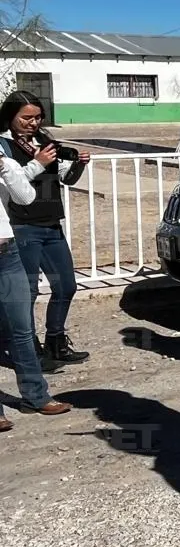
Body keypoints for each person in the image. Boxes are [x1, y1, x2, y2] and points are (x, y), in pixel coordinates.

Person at [0, 91, 90, 369]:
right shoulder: (2, 145)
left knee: (66, 286)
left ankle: (56, 341)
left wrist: (78, 165)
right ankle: (26, 349)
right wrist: (38, 161)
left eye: (38, 117)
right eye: (26, 117)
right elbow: (16, 183)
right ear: (10, 116)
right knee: (27, 291)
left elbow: (64, 177)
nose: (33, 123)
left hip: (51, 222)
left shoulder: (44, 140)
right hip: (22, 225)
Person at [0, 148, 71, 431]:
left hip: (7, 253)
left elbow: (25, 197)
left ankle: (36, 396)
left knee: (21, 330)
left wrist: (5, 167)